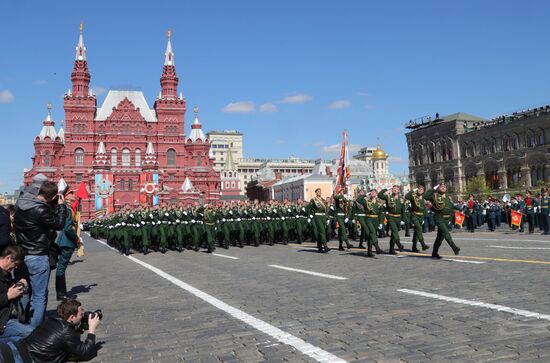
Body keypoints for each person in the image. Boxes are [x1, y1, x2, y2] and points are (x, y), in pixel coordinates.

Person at [13, 181, 68, 327]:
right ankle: (35, 330)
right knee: (39, 296)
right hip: (37, 255)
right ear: (52, 196)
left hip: (21, 255)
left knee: (22, 290)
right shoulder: (40, 210)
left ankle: (22, 321)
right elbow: (59, 224)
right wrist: (62, 206)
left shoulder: (20, 205)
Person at [0, 298, 100, 363]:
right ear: (72, 317)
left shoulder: (52, 320)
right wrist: (92, 330)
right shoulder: (66, 331)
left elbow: (70, 343)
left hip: (11, 349)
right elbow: (85, 353)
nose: (82, 317)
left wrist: (81, 328)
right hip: (19, 359)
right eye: (81, 315)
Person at [0, 245, 33, 344]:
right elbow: (5, 294)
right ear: (8, 258)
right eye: (15, 264)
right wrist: (8, 296)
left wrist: (18, 284)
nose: (15, 267)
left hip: (7, 316)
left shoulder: (6, 272)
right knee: (33, 334)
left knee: (25, 340)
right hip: (3, 321)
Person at [55, 188, 81, 301]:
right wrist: (76, 238)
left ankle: (61, 292)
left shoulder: (63, 208)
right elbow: (68, 228)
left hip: (61, 241)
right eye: (71, 193)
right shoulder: (68, 209)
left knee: (61, 267)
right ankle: (61, 293)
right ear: (66, 197)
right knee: (61, 267)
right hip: (67, 242)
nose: (74, 195)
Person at [424, 183, 461, 259]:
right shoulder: (434, 196)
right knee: (446, 233)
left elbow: (451, 209)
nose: (443, 188)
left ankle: (434, 253)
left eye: (444, 187)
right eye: (441, 186)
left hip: (447, 220)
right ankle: (454, 248)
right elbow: (425, 196)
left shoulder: (448, 197)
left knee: (439, 238)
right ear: (438, 188)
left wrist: (452, 220)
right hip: (439, 218)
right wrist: (434, 188)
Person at [405, 186, 429, 252]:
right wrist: (413, 190)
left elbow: (424, 208)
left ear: (423, 191)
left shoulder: (424, 197)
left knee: (416, 232)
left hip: (421, 216)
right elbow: (407, 196)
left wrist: (424, 217)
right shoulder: (413, 196)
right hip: (414, 215)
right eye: (419, 189)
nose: (420, 190)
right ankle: (423, 244)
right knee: (419, 229)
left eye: (421, 189)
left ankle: (414, 247)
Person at [307, 188, 330, 253]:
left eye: (320, 191)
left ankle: (320, 248)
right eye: (318, 191)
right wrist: (310, 215)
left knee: (321, 232)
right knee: (322, 231)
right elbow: (308, 208)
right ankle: (325, 246)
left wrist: (327, 218)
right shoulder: (313, 200)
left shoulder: (323, 200)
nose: (320, 192)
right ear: (316, 192)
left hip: (323, 217)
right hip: (317, 217)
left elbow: (326, 210)